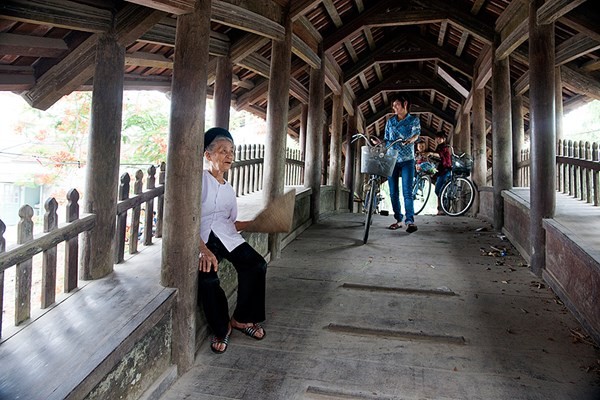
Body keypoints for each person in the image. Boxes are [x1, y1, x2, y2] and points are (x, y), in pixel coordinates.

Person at [197, 127, 267, 354]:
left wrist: (258, 222)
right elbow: (185, 219)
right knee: (207, 275)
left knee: (257, 265)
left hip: (227, 236)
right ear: (208, 155)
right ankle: (221, 328)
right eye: (222, 151)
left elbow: (232, 222)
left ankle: (243, 318)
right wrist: (201, 249)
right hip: (202, 239)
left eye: (231, 151)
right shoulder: (198, 182)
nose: (229, 156)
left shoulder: (229, 189)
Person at [384, 94, 421, 233]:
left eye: (397, 105)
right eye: (393, 106)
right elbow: (387, 139)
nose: (394, 108)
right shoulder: (390, 122)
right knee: (393, 192)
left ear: (405, 104)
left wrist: (411, 139)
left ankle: (410, 221)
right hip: (391, 159)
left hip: (407, 160)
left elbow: (416, 134)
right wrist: (380, 143)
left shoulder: (413, 120)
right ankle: (398, 220)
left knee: (407, 192)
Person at [427, 131, 452, 215]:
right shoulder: (439, 147)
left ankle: (443, 209)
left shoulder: (444, 147)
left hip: (446, 170)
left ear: (443, 139)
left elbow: (440, 155)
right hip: (441, 171)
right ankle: (441, 209)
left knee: (440, 190)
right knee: (439, 190)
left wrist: (431, 153)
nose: (438, 139)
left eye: (440, 138)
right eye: (437, 138)